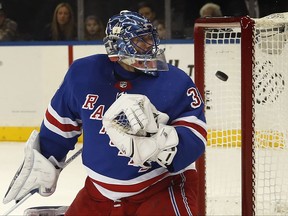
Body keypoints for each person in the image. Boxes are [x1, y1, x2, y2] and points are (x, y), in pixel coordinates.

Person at [3, 10, 207, 215]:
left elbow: (196, 136)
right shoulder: (83, 75)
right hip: (99, 193)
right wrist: (45, 159)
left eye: (149, 38)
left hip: (160, 188)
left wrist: (160, 144)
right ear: (116, 45)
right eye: (140, 40)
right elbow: (60, 125)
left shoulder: (175, 81)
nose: (150, 46)